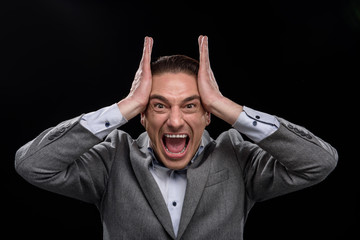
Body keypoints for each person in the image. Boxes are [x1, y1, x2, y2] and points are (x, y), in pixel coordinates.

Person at [15, 35, 338, 240]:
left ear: (207, 115)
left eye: (190, 105)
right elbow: (32, 165)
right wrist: (123, 107)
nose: (174, 120)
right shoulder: (113, 158)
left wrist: (228, 108)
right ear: (142, 115)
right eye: (158, 105)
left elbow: (319, 162)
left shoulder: (236, 157)